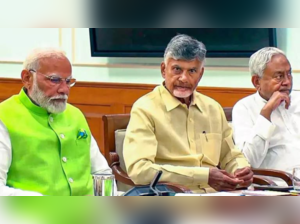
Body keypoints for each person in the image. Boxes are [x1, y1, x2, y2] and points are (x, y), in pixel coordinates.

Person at [123, 34, 253, 193]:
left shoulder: (213, 108)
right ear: (164, 70)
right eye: (177, 69)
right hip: (172, 197)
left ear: (201, 74)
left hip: (218, 197)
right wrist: (203, 175)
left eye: (192, 71)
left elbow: (231, 156)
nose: (184, 78)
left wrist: (241, 170)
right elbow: (140, 171)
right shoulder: (145, 109)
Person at [0, 47, 114, 196]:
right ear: (27, 78)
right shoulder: (5, 117)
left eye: (68, 81)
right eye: (54, 80)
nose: (64, 90)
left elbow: (101, 172)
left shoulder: (75, 115)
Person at [232, 47, 300, 181]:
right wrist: (266, 113)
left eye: (289, 74)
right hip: (280, 185)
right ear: (257, 82)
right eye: (279, 76)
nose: (287, 82)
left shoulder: (298, 100)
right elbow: (248, 161)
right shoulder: (244, 108)